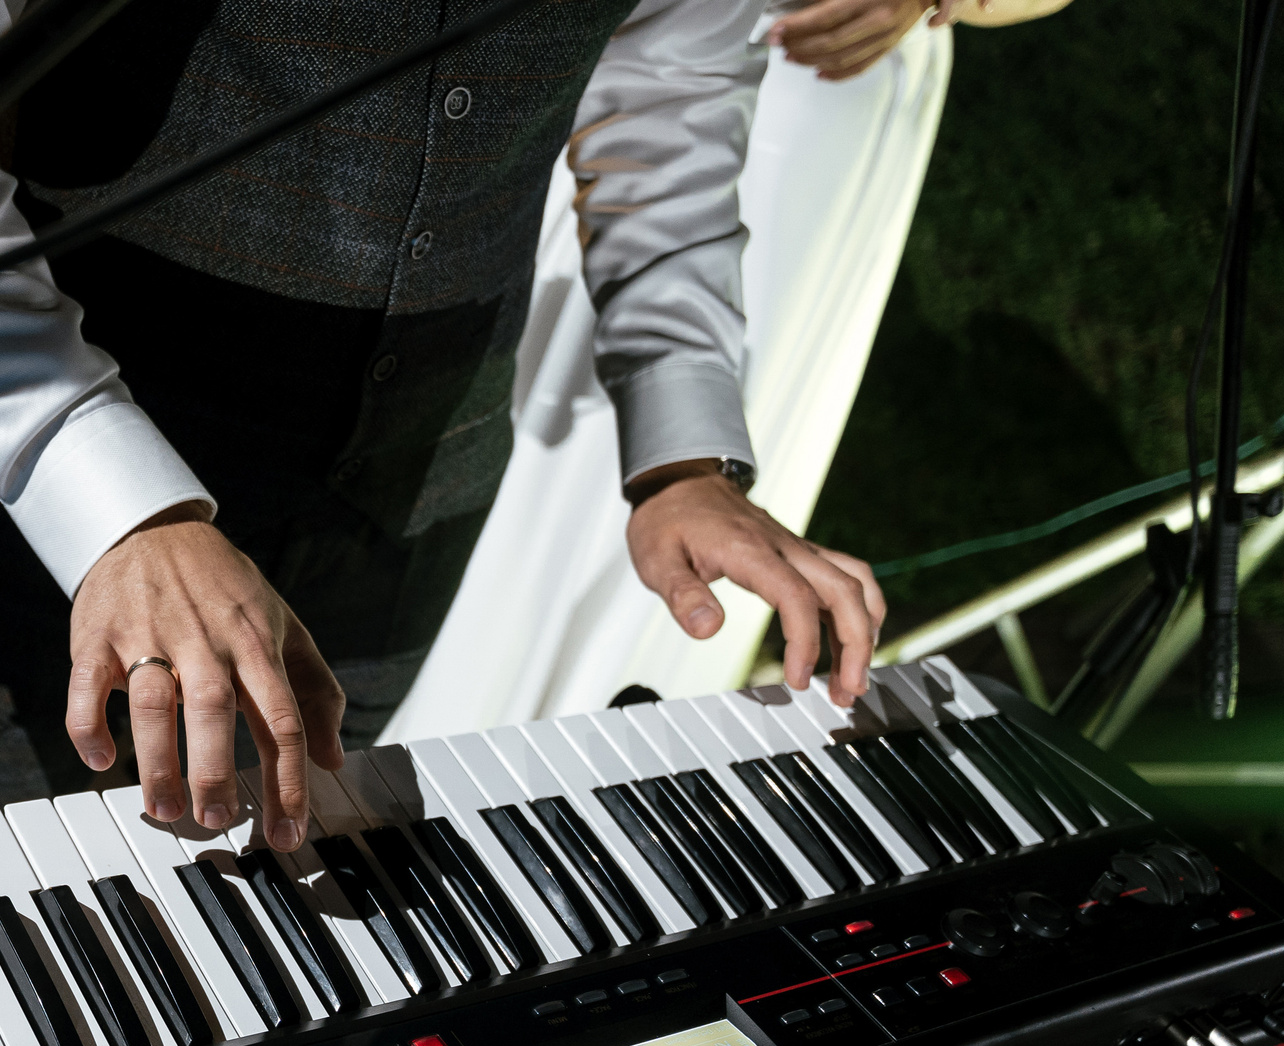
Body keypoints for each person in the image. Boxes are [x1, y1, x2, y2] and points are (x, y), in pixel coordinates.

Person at [0, 0, 884, 855]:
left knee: (261, 938)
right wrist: (103, 492)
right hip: (64, 490)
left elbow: (668, 105)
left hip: (413, 488)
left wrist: (681, 455)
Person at [382, 0, 1073, 737]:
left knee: (701, 467)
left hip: (812, 93)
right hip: (625, 72)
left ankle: (586, 739)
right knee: (517, 434)